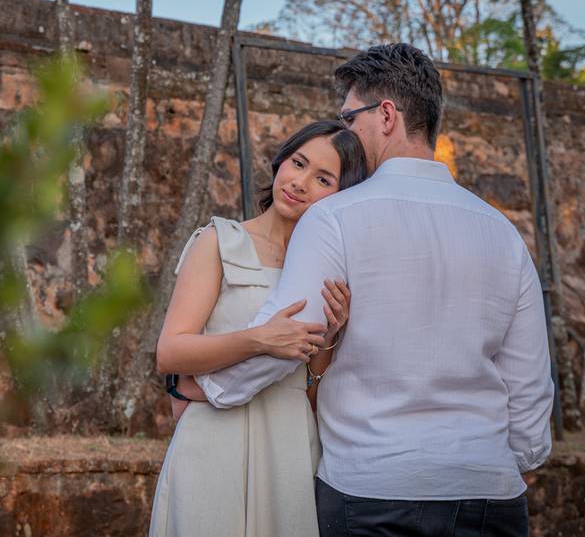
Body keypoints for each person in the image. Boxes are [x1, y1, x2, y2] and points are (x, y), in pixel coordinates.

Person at [198, 43, 555, 537]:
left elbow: (292, 333)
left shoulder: (334, 217)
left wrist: (209, 387)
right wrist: (499, 460)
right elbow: (530, 386)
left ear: (385, 115)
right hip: (488, 491)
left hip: (371, 489)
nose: (346, 133)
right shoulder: (503, 232)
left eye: (349, 119)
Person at [149, 120, 368, 537]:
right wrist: (257, 339)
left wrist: (329, 339)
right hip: (214, 437)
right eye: (298, 163)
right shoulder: (219, 241)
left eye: (323, 178)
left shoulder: (329, 270)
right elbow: (170, 354)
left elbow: (309, 391)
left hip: (287, 441)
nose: (300, 183)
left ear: (342, 195)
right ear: (281, 160)